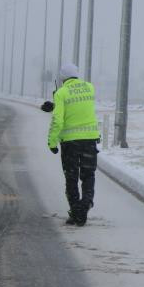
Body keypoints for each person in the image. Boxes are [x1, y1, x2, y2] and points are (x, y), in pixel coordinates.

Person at [47, 63, 100, 226]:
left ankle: (76, 211)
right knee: (88, 175)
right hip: (90, 140)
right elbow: (78, 106)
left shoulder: (61, 93)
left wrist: (52, 141)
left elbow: (58, 119)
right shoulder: (90, 88)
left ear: (62, 78)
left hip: (70, 143)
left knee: (71, 178)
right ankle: (86, 203)